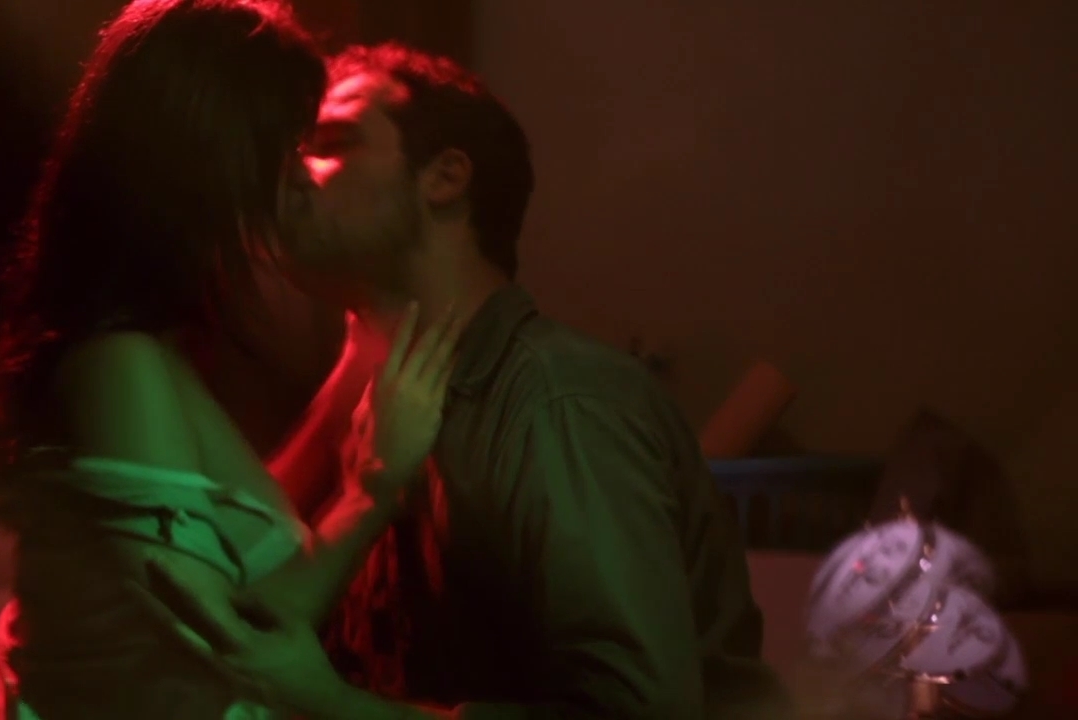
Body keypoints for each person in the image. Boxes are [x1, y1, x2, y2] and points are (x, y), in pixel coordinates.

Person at [133, 43, 792, 719]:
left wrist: (333, 707)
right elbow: (240, 602)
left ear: (444, 179)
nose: (291, 173)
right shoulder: (377, 405)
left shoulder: (556, 404)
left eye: (331, 143)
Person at [0, 2, 461, 718]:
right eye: (287, 145)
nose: (303, 176)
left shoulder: (133, 346)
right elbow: (239, 637)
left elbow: (232, 528)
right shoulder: (118, 362)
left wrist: (361, 365)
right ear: (214, 158)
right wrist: (374, 488)